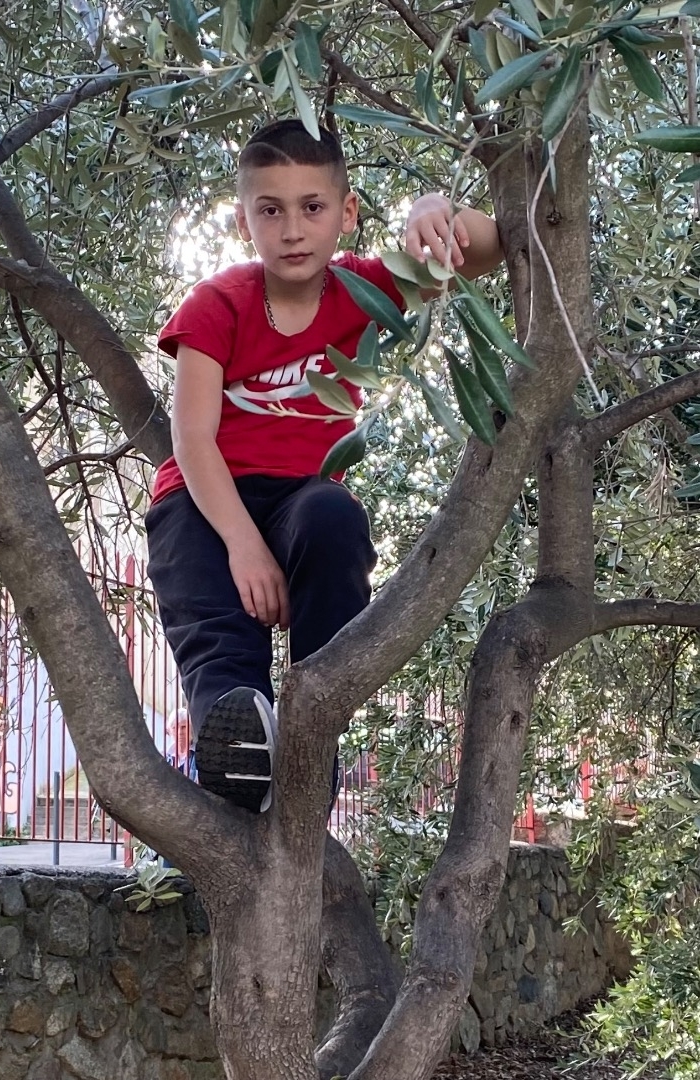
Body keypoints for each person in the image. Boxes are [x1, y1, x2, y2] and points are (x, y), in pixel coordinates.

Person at [146, 118, 503, 813]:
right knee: (220, 642)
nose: (292, 230)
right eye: (269, 210)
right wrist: (244, 547)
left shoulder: (361, 290)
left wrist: (438, 212)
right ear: (243, 219)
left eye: (312, 207)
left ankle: (312, 744)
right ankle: (237, 752)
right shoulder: (216, 304)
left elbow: (485, 247)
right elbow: (191, 440)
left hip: (301, 500)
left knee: (335, 516)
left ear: (347, 213)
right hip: (201, 500)